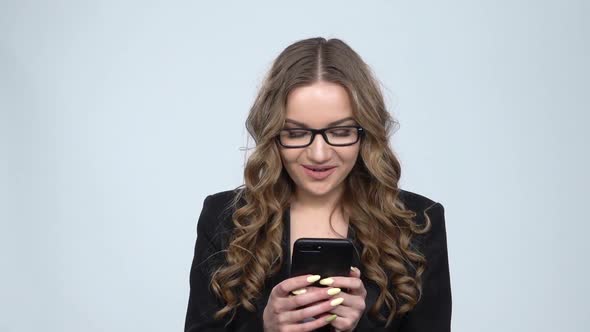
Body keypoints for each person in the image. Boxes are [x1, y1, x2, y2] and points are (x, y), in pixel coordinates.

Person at [184, 37, 452, 332]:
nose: (319, 154)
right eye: (296, 133)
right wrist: (266, 328)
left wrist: (360, 327)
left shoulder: (418, 221)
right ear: (273, 134)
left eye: (340, 131)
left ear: (366, 132)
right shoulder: (225, 217)